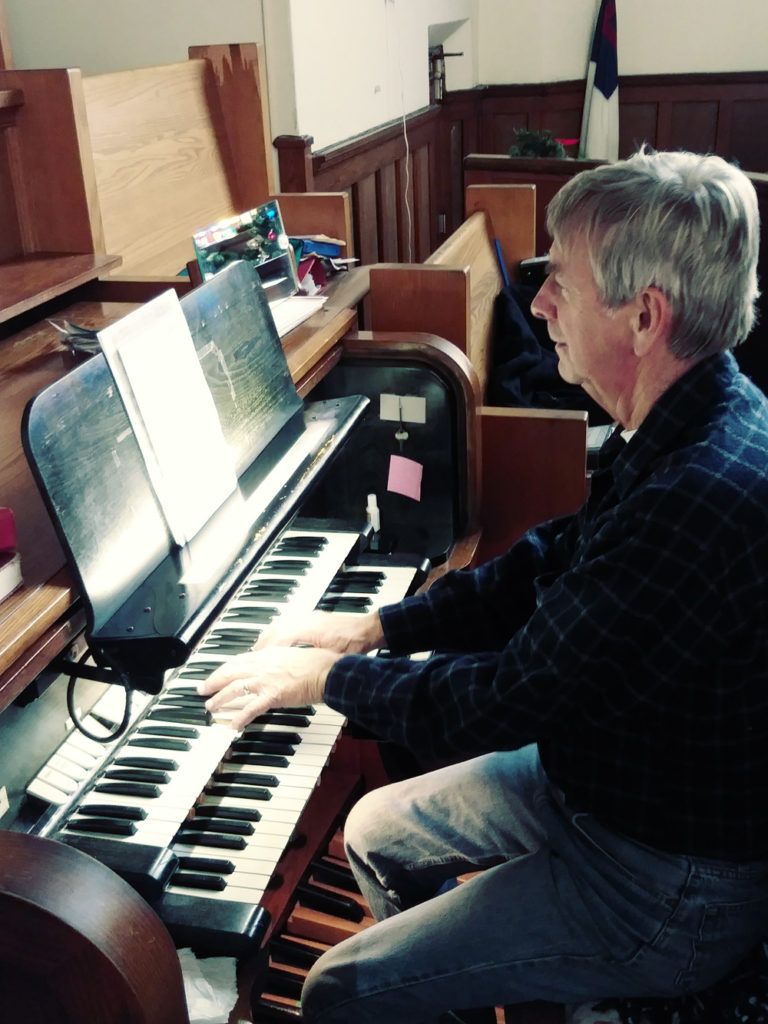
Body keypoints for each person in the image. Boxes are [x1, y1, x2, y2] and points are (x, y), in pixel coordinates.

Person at [199, 149, 768, 1023]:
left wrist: (318, 682)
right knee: (373, 835)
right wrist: (371, 630)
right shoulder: (692, 408)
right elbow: (547, 559)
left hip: (664, 880)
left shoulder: (699, 492)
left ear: (645, 317)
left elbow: (505, 698)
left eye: (561, 285)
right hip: (601, 788)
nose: (537, 304)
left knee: (341, 989)